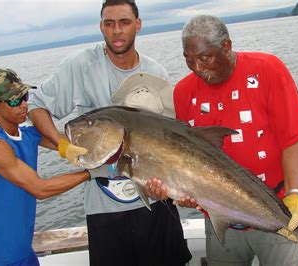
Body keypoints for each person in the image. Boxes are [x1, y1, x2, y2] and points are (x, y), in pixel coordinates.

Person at [27, 0, 191, 265]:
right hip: (105, 209)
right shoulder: (81, 66)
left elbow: (168, 142)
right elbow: (37, 106)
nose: (117, 31)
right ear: (101, 27)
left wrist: (167, 188)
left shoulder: (155, 72)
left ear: (137, 25)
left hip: (155, 204)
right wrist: (62, 144)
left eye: (124, 22)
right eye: (109, 23)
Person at [147, 15, 298, 266]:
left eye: (204, 58)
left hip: (277, 208)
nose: (197, 68)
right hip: (219, 219)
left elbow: (294, 139)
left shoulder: (267, 69)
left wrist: (296, 195)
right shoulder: (183, 92)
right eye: (189, 59)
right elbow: (188, 160)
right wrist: (185, 193)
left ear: (226, 46)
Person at [0, 69, 91, 266]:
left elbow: (70, 143)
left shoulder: (27, 133)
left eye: (24, 96)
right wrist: (90, 173)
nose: (23, 105)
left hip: (22, 253)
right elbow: (40, 188)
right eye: (14, 101)